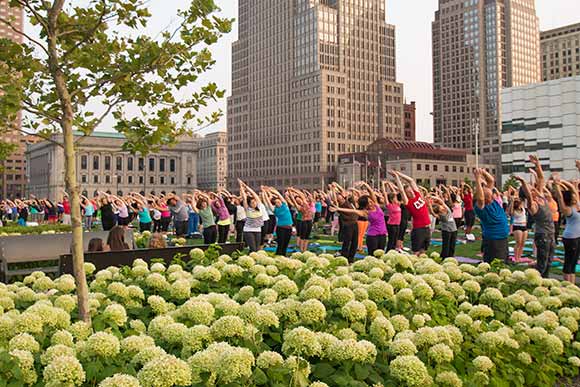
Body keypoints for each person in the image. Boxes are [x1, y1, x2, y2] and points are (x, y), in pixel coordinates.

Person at [515, 155, 556, 278]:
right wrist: (522, 182)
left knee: (549, 262)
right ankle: (535, 281)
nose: (533, 189)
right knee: (542, 265)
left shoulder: (541, 198)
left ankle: (545, 283)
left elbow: (541, 179)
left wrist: (537, 164)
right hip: (542, 236)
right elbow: (528, 194)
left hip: (551, 234)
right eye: (531, 189)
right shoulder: (532, 205)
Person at [331, 182, 387, 257]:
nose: (371, 203)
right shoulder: (365, 212)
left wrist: (365, 184)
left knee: (381, 255)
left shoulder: (377, 206)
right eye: (368, 203)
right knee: (373, 256)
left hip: (383, 235)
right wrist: (338, 208)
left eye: (371, 201)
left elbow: (371, 192)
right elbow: (353, 211)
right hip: (373, 236)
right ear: (365, 205)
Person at [473, 168, 509, 263]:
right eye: (489, 195)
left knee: (502, 263)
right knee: (494, 265)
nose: (492, 196)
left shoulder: (493, 202)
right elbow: (480, 198)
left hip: (502, 238)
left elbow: (491, 180)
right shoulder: (481, 207)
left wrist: (483, 172)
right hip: (493, 240)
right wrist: (477, 178)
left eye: (491, 194)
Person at [391, 171, 431, 255]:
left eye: (411, 190)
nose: (411, 192)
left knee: (423, 252)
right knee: (416, 253)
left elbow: (411, 181)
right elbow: (401, 190)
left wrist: (399, 174)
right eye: (409, 192)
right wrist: (396, 177)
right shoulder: (408, 202)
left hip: (427, 228)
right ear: (406, 194)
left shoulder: (417, 195)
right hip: (418, 229)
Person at [552, 171, 580, 284]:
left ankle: (572, 284)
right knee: (568, 261)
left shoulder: (577, 206)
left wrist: (562, 181)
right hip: (570, 238)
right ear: (569, 199)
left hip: (577, 237)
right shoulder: (567, 209)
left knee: (574, 261)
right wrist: (557, 184)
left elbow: (573, 189)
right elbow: (559, 196)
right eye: (573, 197)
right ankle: (566, 284)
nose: (575, 196)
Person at [263, 188, 293, 256]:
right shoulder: (274, 209)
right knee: (281, 243)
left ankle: (284, 255)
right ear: (274, 204)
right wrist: (264, 193)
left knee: (286, 243)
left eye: (279, 201)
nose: (278, 203)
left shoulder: (285, 205)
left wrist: (272, 190)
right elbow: (267, 201)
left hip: (289, 228)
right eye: (276, 202)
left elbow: (279, 195)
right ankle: (279, 255)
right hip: (281, 228)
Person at [239, 180, 264, 252]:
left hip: (258, 230)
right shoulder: (248, 209)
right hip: (248, 230)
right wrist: (241, 186)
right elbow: (244, 198)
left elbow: (254, 194)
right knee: (253, 249)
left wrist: (246, 186)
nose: (254, 203)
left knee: (257, 249)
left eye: (255, 202)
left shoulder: (259, 207)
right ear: (249, 204)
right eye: (252, 202)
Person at [287, 187, 314, 252]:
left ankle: (305, 250)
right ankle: (301, 250)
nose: (299, 200)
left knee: (307, 236)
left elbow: (301, 195)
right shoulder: (298, 207)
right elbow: (293, 200)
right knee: (303, 237)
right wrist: (290, 193)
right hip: (303, 222)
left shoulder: (305, 202)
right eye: (297, 200)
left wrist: (293, 190)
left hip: (309, 221)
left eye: (299, 199)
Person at [508, 192, 528, 263]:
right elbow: (510, 212)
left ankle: (519, 257)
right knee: (518, 243)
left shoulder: (523, 208)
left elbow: (522, 197)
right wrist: (512, 201)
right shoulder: (514, 210)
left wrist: (516, 195)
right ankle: (516, 258)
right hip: (517, 226)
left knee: (523, 243)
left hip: (524, 226)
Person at [383, 182, 401, 252]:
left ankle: (393, 253)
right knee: (391, 240)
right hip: (391, 225)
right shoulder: (389, 205)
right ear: (392, 199)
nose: (396, 199)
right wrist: (383, 184)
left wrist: (390, 184)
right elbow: (385, 194)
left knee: (395, 241)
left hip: (397, 225)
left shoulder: (398, 204)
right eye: (395, 198)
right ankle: (388, 253)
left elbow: (395, 192)